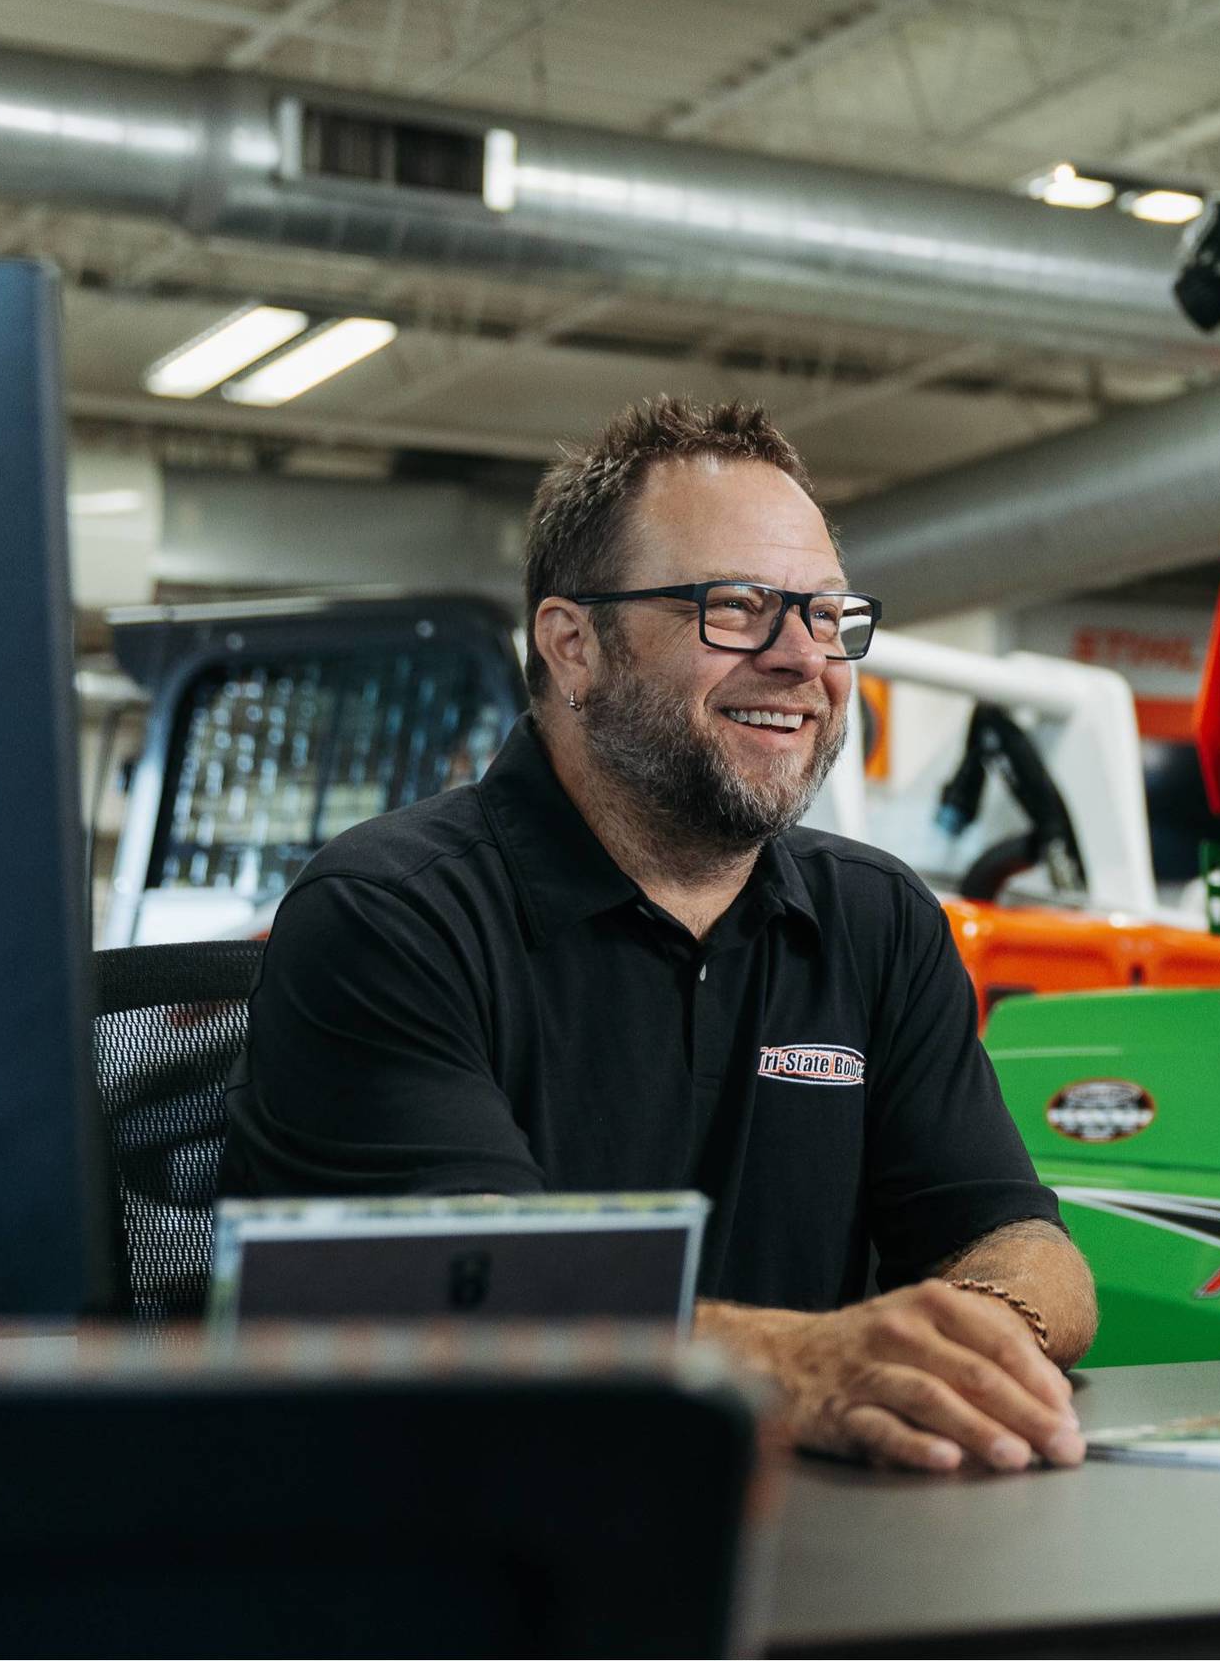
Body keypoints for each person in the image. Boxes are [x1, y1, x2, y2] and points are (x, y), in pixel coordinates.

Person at [222, 396, 1095, 1476]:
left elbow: (1026, 1241)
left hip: (805, 1544)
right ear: (573, 645)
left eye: (826, 616)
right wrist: (807, 1359)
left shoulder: (878, 920)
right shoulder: (389, 915)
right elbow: (479, 1290)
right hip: (448, 1549)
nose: (800, 658)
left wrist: (975, 1330)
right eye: (735, 607)